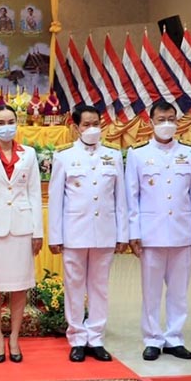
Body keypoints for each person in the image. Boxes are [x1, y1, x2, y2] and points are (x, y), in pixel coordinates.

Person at [126, 99, 191, 361]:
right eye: (161, 120)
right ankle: (152, 338)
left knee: (179, 292)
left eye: (171, 119)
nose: (166, 124)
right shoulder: (138, 155)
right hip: (151, 233)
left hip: (182, 232)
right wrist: (133, 232)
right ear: (151, 122)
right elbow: (132, 197)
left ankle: (174, 338)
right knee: (151, 291)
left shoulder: (190, 154)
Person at [48, 104, 126, 362]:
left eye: (96, 124)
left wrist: (122, 235)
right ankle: (77, 337)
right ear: (76, 127)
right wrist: (56, 236)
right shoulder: (64, 156)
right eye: (86, 125)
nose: (92, 129)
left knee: (99, 287)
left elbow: (120, 198)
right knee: (74, 286)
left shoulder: (113, 155)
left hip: (105, 231)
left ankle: (96, 337)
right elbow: (56, 199)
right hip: (75, 232)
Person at [0, 105, 43, 363]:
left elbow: (34, 193)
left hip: (22, 228)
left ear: (17, 123)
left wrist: (38, 231)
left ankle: (14, 337)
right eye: (1, 122)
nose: (6, 126)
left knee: (19, 286)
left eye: (10, 121)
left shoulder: (29, 154)